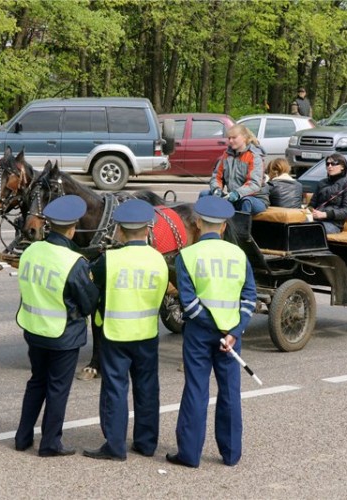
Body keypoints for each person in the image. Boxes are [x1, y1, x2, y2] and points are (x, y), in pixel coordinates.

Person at [166, 196, 256, 468]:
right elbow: (249, 297)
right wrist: (233, 331)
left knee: (196, 389)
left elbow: (189, 303)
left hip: (199, 333)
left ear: (196, 223)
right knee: (230, 391)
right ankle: (230, 454)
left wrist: (213, 325)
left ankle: (190, 455)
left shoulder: (187, 256)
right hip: (231, 336)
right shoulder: (239, 256)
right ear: (224, 227)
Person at [83, 199, 169, 462]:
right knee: (147, 389)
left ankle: (115, 446)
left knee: (115, 389)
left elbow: (91, 289)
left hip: (115, 333)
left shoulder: (108, 260)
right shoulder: (159, 260)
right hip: (146, 333)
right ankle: (145, 443)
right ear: (148, 229)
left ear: (119, 230)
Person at [14, 194, 99, 457]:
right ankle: (50, 443)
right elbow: (88, 302)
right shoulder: (74, 262)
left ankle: (22, 437)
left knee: (36, 381)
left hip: (33, 329)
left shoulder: (30, 251)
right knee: (57, 388)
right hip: (63, 335)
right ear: (72, 229)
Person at [202, 124, 269, 215]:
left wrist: (237, 193)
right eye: (229, 138)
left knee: (246, 202)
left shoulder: (254, 156)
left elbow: (254, 184)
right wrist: (216, 189)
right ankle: (206, 227)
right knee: (204, 194)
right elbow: (216, 177)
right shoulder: (226, 156)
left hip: (255, 199)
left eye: (234, 137)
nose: (230, 141)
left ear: (244, 138)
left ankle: (240, 229)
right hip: (232, 198)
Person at [307, 153, 347, 234]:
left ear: (342, 167)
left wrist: (324, 214)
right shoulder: (322, 183)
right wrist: (310, 211)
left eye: (333, 163)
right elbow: (312, 204)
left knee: (312, 229)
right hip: (315, 220)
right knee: (295, 225)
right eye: (327, 164)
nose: (329, 166)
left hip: (333, 224)